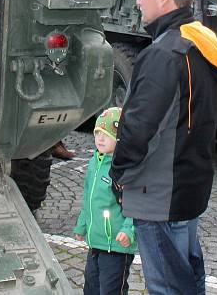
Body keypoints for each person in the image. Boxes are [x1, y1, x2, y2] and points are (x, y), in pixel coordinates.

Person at [110, 0, 217, 295]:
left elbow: (139, 129)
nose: (138, 1)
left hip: (160, 194)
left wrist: (118, 174)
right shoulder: (200, 42)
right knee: (189, 277)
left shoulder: (163, 54)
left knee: (167, 286)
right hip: (189, 185)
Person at [74, 107, 136, 295]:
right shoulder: (94, 162)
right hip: (96, 243)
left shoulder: (124, 168)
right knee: (91, 287)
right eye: (97, 133)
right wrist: (82, 224)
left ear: (119, 139)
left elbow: (135, 203)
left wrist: (129, 230)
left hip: (116, 246)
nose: (99, 139)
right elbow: (88, 197)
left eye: (106, 134)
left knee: (111, 290)